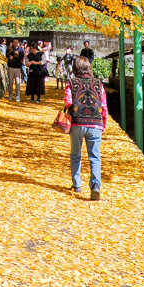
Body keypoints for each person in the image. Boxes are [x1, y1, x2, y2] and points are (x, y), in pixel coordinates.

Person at [64, 55, 107, 200]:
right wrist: (103, 123)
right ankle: (95, 185)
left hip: (77, 123)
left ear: (76, 67)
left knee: (75, 155)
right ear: (89, 67)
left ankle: (76, 184)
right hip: (95, 123)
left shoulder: (71, 82)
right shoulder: (98, 83)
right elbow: (104, 105)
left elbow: (68, 101)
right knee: (95, 156)